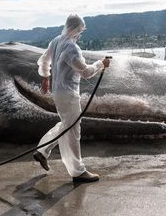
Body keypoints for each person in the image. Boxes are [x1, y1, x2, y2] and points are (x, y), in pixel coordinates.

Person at [33, 14, 110, 183]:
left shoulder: (56, 41)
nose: (80, 34)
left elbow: (43, 60)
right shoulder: (71, 48)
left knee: (66, 124)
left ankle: (43, 150)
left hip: (58, 93)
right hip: (68, 94)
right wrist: (101, 64)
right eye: (80, 30)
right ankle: (78, 171)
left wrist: (45, 76)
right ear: (76, 29)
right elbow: (86, 72)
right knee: (73, 132)